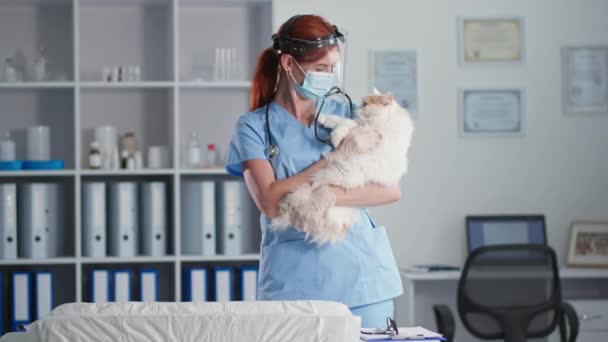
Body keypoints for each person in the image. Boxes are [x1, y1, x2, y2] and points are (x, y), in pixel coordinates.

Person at [225, 14, 403, 328]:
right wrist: (334, 159)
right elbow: (268, 201)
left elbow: (389, 189)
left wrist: (326, 194)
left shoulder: (349, 112)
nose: (328, 77)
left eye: (332, 68)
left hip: (363, 278)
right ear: (289, 64)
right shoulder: (253, 127)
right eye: (320, 69)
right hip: (293, 286)